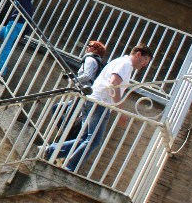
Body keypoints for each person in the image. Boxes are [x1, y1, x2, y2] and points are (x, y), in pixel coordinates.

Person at [43, 43, 154, 172]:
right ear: (138, 54)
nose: (145, 65)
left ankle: (55, 154)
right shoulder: (126, 64)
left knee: (86, 139)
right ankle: (65, 163)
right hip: (99, 103)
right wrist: (121, 111)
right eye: (146, 60)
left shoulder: (122, 63)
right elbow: (113, 84)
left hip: (94, 101)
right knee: (93, 140)